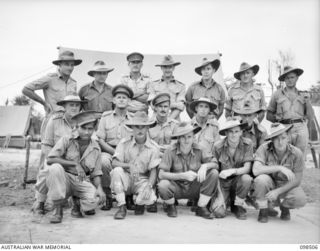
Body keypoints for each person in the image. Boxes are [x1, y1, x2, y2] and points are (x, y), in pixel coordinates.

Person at [22, 50, 81, 171]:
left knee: (67, 151)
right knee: (47, 152)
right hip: (53, 119)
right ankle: (41, 184)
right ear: (59, 65)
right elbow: (26, 89)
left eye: (72, 65)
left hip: (68, 121)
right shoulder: (49, 79)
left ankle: (62, 181)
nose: (70, 67)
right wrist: (43, 103)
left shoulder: (73, 83)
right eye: (66, 64)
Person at [44, 111, 106, 224]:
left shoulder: (96, 147)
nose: (87, 132)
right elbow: (50, 159)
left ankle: (77, 203)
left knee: (96, 199)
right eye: (84, 128)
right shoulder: (66, 139)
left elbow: (96, 173)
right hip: (64, 179)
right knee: (55, 168)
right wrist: (74, 164)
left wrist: (100, 189)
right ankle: (58, 210)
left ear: (94, 129)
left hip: (81, 180)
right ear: (77, 127)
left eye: (90, 129)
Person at [34, 96, 86, 215]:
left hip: (76, 160)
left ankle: (76, 201)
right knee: (48, 170)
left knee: (82, 171)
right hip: (56, 159)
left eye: (77, 105)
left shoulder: (84, 121)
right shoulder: (54, 120)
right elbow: (46, 145)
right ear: (64, 107)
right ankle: (40, 202)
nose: (74, 107)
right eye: (71, 105)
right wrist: (55, 160)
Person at [158, 122, 219, 219]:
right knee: (163, 185)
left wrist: (205, 166)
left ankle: (201, 207)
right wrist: (182, 175)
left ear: (193, 137)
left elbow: (215, 164)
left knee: (213, 173)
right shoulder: (170, 150)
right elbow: (161, 175)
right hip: (177, 187)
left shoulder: (200, 149)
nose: (186, 140)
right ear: (178, 138)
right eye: (183, 137)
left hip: (194, 186)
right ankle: (171, 205)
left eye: (189, 137)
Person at [252, 123, 307, 223]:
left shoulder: (297, 153)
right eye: (276, 138)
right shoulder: (264, 148)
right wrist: (279, 168)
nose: (280, 142)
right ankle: (263, 209)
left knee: (300, 198)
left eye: (283, 137)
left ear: (288, 138)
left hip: (286, 185)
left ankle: (284, 206)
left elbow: (297, 180)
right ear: (272, 140)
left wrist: (278, 192)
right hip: (270, 183)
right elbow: (256, 170)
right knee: (260, 180)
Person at [111, 111, 160, 219]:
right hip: (126, 177)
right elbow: (114, 163)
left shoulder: (153, 147)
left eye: (143, 127)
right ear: (132, 128)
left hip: (141, 180)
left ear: (147, 128)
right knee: (117, 171)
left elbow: (153, 171)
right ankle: (122, 206)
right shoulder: (124, 142)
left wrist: (149, 186)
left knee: (150, 198)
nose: (140, 130)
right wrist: (129, 166)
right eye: (137, 127)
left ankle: (139, 203)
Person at [96, 84, 134, 210]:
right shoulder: (105, 117)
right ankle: (108, 196)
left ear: (129, 101)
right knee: (103, 162)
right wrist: (114, 152)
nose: (122, 99)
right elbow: (100, 139)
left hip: (128, 151)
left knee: (133, 162)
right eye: (119, 97)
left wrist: (123, 155)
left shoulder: (133, 119)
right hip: (109, 150)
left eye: (125, 97)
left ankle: (129, 196)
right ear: (114, 100)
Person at [211, 117, 254, 220]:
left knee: (246, 179)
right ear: (226, 133)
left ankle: (238, 205)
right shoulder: (218, 146)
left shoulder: (247, 144)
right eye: (231, 132)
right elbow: (215, 172)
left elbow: (247, 168)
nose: (234, 134)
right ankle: (226, 201)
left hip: (238, 181)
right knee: (219, 213)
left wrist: (233, 171)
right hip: (223, 183)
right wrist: (220, 197)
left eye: (236, 131)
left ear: (241, 132)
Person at [267, 66, 314, 155]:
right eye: (287, 78)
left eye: (292, 77)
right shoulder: (277, 94)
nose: (290, 80)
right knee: (284, 156)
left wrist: (307, 101)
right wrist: (278, 122)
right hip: (284, 128)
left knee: (300, 157)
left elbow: (310, 117)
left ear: (297, 78)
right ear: (284, 80)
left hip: (301, 128)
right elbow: (268, 115)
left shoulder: (303, 95)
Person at [148, 55, 186, 120]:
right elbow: (153, 105)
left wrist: (169, 120)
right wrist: (175, 105)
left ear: (173, 68)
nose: (167, 70)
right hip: (156, 120)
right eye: (165, 67)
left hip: (174, 120)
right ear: (161, 68)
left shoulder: (181, 86)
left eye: (170, 67)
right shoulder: (153, 84)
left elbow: (181, 106)